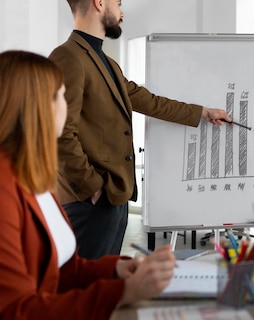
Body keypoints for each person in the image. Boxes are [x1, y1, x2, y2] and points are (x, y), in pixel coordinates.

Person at [49, 0, 232, 259]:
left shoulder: (105, 61)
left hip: (112, 198)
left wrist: (203, 113)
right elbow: (59, 133)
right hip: (91, 200)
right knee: (86, 289)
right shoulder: (67, 57)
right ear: (99, 3)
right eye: (118, 3)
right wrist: (93, 188)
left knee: (106, 286)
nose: (122, 12)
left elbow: (150, 102)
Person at [0, 50, 177, 319]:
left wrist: (116, 270)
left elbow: (61, 272)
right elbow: (17, 311)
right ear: (36, 106)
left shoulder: (35, 177)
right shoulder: (4, 188)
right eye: (61, 95)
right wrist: (123, 292)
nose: (68, 104)